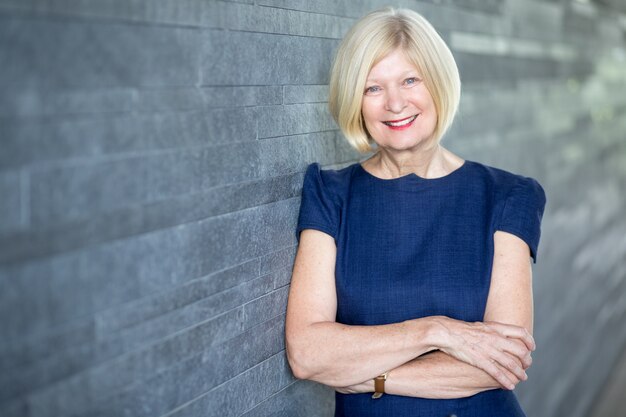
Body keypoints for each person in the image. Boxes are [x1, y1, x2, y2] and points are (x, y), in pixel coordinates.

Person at [285, 6, 547, 417]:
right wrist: (436, 331)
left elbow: (503, 361)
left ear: (438, 84)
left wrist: (369, 377)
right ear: (355, 100)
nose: (394, 103)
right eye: (373, 88)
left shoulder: (507, 196)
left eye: (410, 80)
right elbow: (307, 353)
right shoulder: (330, 194)